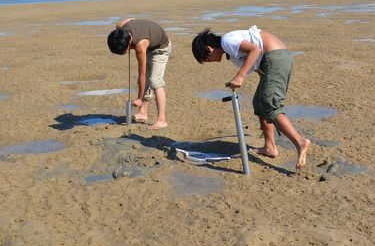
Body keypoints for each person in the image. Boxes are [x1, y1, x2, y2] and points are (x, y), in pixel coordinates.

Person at [191, 26, 311, 170]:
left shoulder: (227, 41)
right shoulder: (229, 50)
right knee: (259, 102)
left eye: (207, 59)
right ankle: (270, 147)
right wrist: (264, 82)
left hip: (276, 58)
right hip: (271, 62)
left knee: (269, 105)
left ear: (209, 49)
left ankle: (300, 142)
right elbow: (255, 61)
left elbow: (256, 50)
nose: (210, 62)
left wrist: (240, 76)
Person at [107, 18, 171, 129]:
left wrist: (139, 98)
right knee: (147, 79)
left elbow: (142, 74)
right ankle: (143, 112)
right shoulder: (120, 28)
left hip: (160, 48)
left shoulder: (140, 46)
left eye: (122, 52)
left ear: (128, 45)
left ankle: (162, 120)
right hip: (150, 44)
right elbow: (130, 19)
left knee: (155, 82)